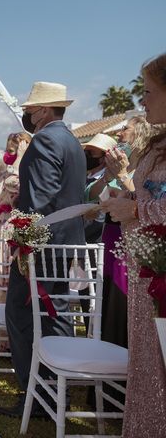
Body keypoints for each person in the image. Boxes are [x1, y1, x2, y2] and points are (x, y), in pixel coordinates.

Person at [0, 82, 86, 418]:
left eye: (31, 109)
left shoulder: (47, 138)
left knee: (22, 317)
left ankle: (35, 396)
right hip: (63, 243)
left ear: (45, 110)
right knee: (55, 315)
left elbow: (42, 198)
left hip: (42, 245)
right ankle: (55, 392)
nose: (27, 115)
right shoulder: (71, 140)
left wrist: (24, 231)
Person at [101, 53, 166, 437]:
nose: (142, 101)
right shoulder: (157, 145)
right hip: (147, 272)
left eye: (148, 92)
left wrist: (134, 206)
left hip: (160, 275)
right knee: (146, 367)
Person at [0, 132, 30, 305]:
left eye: (14, 151)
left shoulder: (27, 171)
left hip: (16, 225)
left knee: (13, 271)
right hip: (1, 226)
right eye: (8, 151)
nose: (9, 155)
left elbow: (15, 183)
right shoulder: (3, 174)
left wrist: (20, 158)